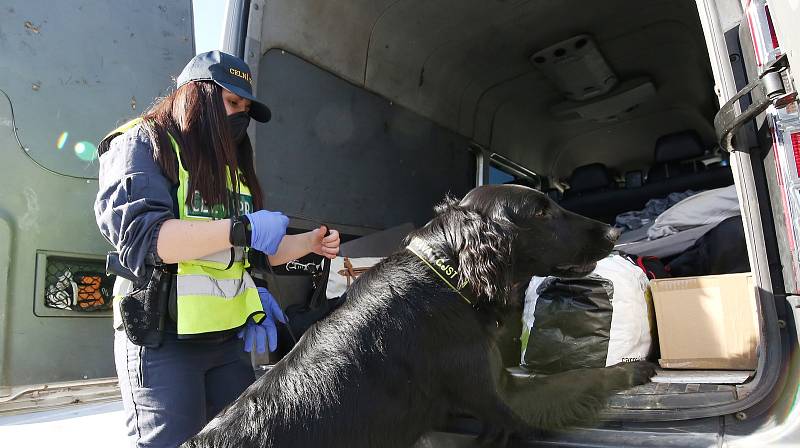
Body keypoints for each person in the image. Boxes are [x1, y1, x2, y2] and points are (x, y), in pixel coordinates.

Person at [94, 51, 340, 447]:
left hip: (226, 342)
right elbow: (147, 238)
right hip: (163, 340)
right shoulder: (144, 141)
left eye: (245, 107)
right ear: (197, 95)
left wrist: (310, 244)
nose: (240, 117)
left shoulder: (232, 168)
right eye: (232, 102)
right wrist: (242, 229)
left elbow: (255, 253)